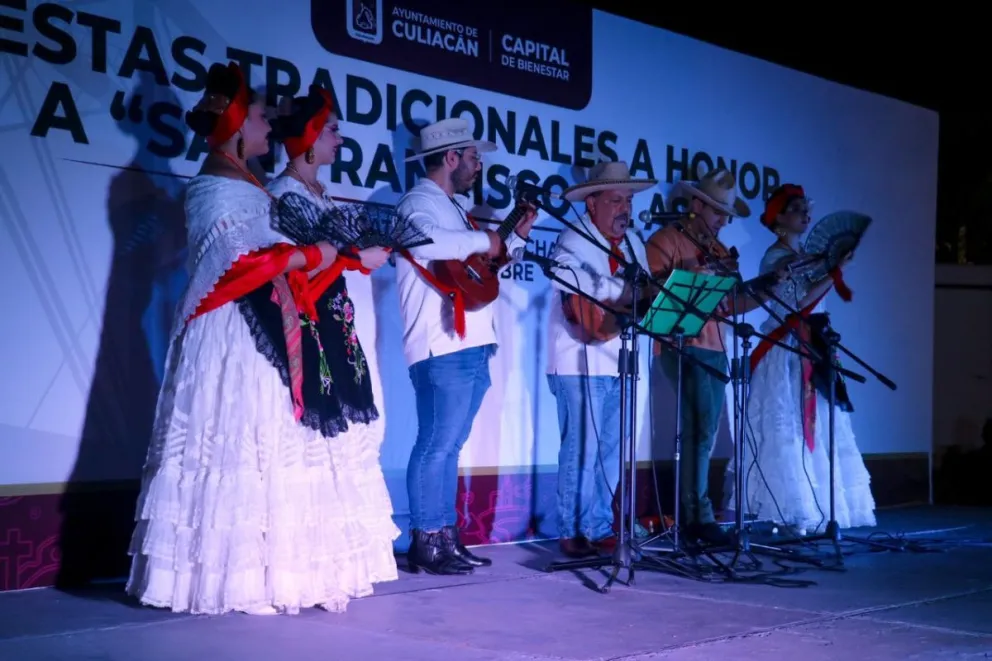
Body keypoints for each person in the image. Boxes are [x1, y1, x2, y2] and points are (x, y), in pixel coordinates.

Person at [126, 62, 362, 616]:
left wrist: (323, 257)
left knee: (267, 441)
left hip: (265, 323)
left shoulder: (249, 183)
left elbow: (267, 258)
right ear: (235, 127)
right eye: (259, 116)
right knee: (235, 441)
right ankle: (230, 578)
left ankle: (268, 569)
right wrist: (312, 254)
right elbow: (235, 265)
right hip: (231, 327)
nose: (267, 125)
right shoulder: (212, 186)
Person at [265, 84, 401, 594]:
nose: (340, 140)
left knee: (348, 439)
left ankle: (335, 564)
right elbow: (287, 274)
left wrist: (357, 259)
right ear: (307, 138)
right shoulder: (283, 195)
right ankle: (302, 567)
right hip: (307, 325)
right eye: (333, 130)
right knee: (312, 442)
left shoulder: (317, 194)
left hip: (336, 319)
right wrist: (350, 258)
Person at [395, 118, 538, 574]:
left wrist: (513, 236)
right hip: (441, 343)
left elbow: (483, 263)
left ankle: (445, 536)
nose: (480, 165)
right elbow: (426, 241)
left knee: (449, 445)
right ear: (451, 157)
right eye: (474, 156)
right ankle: (425, 539)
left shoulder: (454, 206)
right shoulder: (419, 202)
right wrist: (486, 238)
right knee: (437, 443)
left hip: (471, 342)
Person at [736, 184, 876, 535]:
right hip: (786, 348)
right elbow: (797, 304)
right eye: (796, 209)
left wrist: (831, 269)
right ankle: (794, 510)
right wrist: (832, 273)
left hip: (812, 342)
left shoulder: (805, 257)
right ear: (780, 218)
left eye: (805, 208)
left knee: (819, 424)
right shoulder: (776, 258)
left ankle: (821, 507)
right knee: (791, 425)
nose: (805, 214)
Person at [644, 168, 771, 546]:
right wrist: (694, 271)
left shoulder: (718, 251)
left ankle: (698, 512)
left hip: (715, 348)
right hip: (681, 344)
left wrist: (764, 290)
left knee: (706, 432)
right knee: (698, 431)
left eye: (725, 214)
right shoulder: (665, 240)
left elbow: (730, 305)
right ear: (696, 204)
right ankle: (695, 515)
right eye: (717, 212)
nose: (723, 221)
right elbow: (652, 294)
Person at [545, 161, 655, 557]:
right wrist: (622, 291)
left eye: (627, 199)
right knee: (582, 448)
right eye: (615, 200)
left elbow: (643, 291)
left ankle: (598, 525)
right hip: (579, 359)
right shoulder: (574, 237)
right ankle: (572, 529)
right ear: (592, 204)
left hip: (621, 359)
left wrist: (627, 293)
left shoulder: (633, 244)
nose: (624, 208)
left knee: (612, 448)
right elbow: (565, 278)